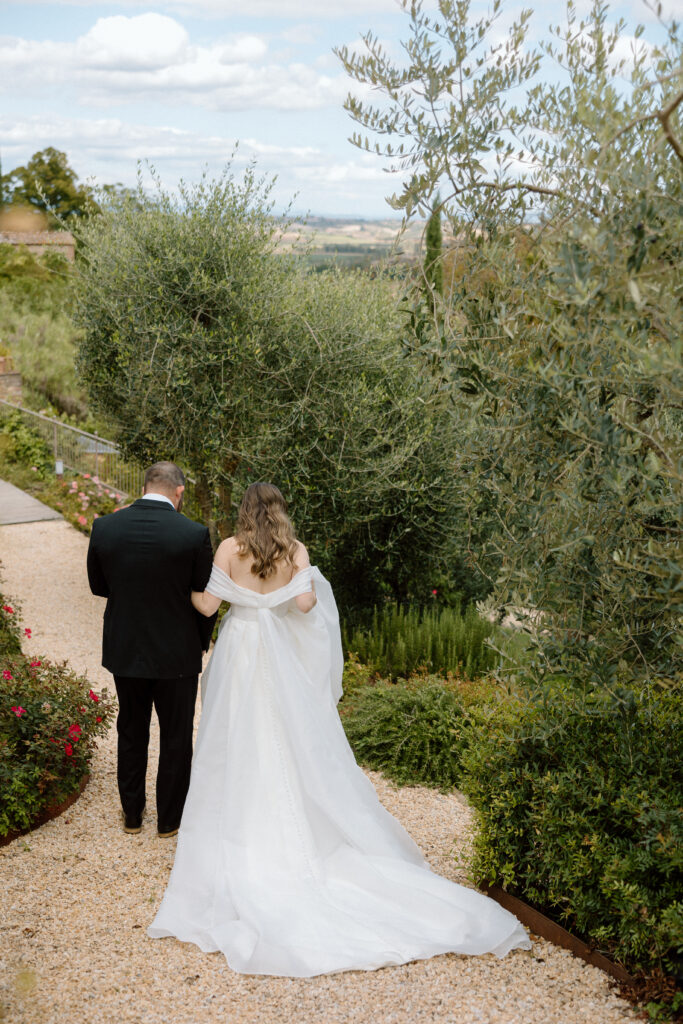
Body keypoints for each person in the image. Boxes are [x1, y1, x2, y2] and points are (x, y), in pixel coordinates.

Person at [147, 481, 532, 976]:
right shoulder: (295, 550)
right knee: (289, 741)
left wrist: (187, 588)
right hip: (279, 658)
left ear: (243, 512)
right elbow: (307, 607)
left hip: (240, 651)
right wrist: (282, 593)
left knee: (232, 742)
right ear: (281, 512)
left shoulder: (229, 548)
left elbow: (205, 607)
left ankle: (239, 824)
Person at [87, 461, 216, 838]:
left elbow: (99, 586)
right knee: (176, 736)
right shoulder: (193, 534)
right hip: (177, 654)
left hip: (125, 649)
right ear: (178, 492)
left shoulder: (105, 527)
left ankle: (131, 815)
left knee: (131, 730)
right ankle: (169, 821)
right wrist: (198, 643)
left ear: (145, 486)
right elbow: (203, 598)